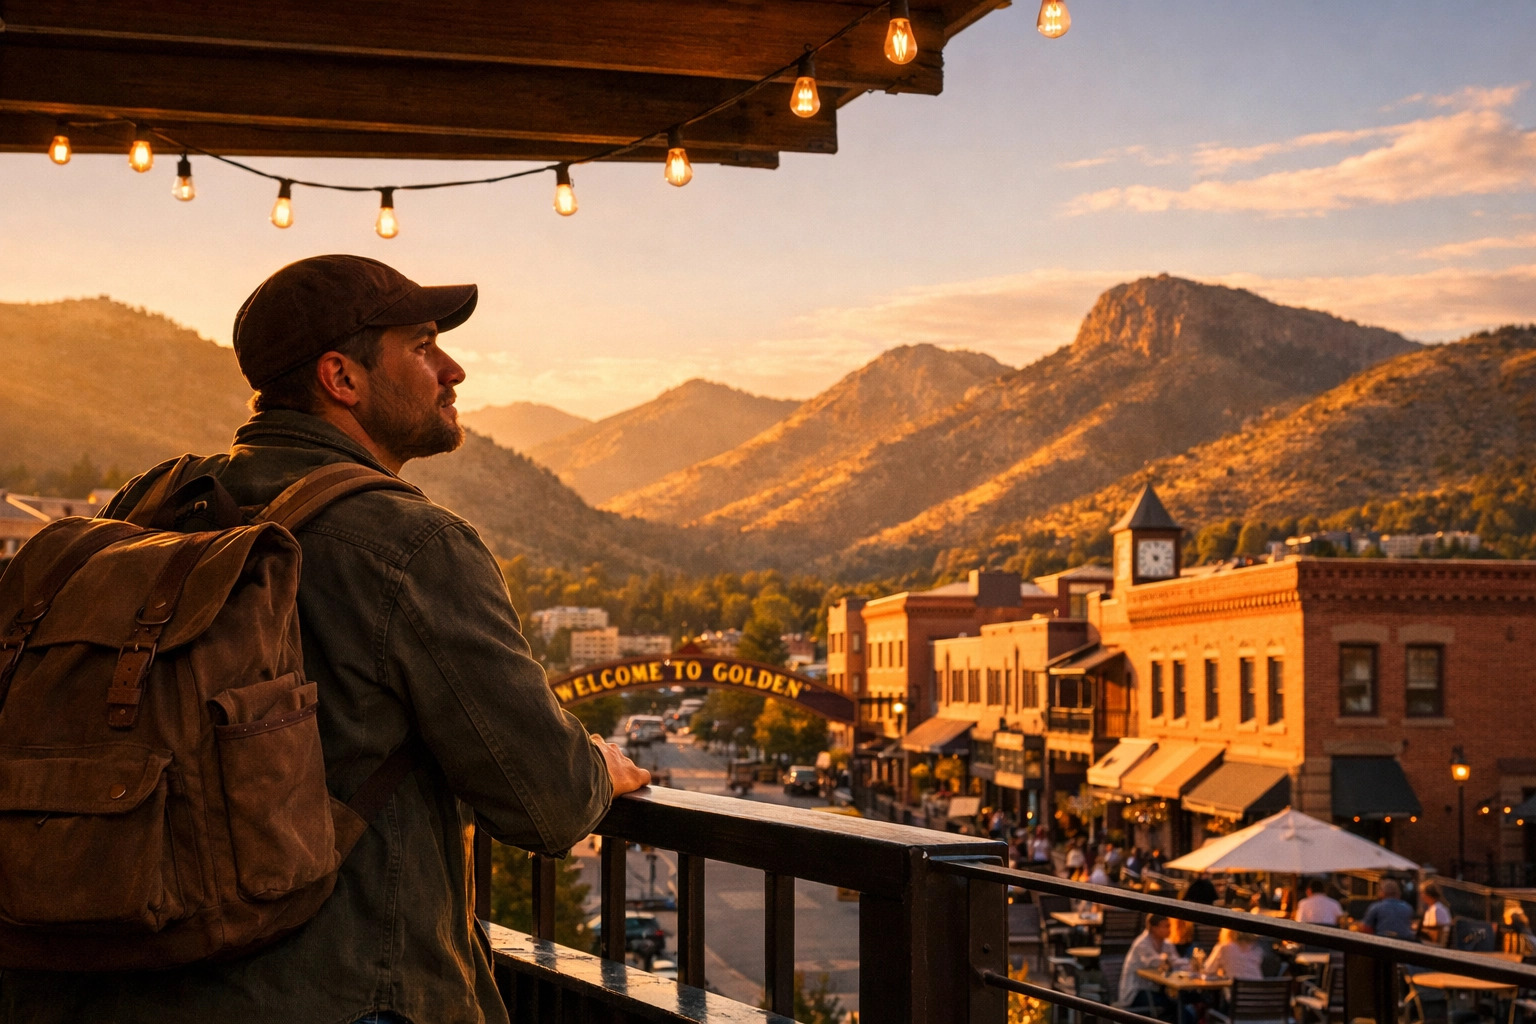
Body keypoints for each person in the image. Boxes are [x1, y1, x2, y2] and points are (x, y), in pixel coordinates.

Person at [0, 256, 651, 1024]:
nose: (454, 369)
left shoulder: (146, 507)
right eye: (423, 346)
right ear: (342, 378)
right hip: (343, 994)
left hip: (95, 981)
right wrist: (597, 767)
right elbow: (544, 802)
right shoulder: (412, 543)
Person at [1119, 914, 1186, 1017]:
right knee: (1173, 1006)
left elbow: (1175, 961)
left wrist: (1187, 963)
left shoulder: (1167, 943)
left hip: (1156, 989)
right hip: (1136, 992)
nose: (1169, 929)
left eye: (1169, 926)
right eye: (1166, 926)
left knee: (1186, 999)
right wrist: (1168, 960)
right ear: (1154, 928)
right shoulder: (1141, 944)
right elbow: (1156, 962)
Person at [1418, 882, 1453, 946]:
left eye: (1423, 893)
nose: (1421, 896)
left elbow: (1444, 930)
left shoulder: (1438, 909)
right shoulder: (1431, 908)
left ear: (1429, 894)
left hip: (1435, 944)